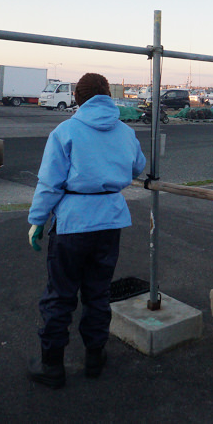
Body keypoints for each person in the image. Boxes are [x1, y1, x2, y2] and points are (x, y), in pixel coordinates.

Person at [26, 73, 146, 389]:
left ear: (78, 98)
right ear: (106, 95)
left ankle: (52, 366)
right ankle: (95, 357)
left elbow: (50, 183)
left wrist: (38, 220)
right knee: (98, 292)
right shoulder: (125, 130)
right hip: (110, 221)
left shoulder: (66, 131)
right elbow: (138, 167)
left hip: (73, 223)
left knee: (60, 294)